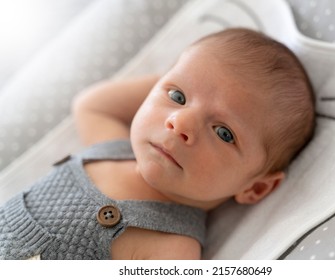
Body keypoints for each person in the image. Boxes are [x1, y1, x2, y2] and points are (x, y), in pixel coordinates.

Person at [0, 28, 315, 260]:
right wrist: (178, 75)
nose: (181, 123)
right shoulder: (110, 147)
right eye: (178, 97)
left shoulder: (173, 246)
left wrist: (184, 86)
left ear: (256, 188)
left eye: (223, 133)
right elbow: (91, 104)